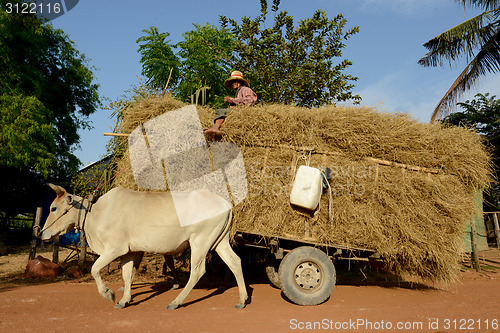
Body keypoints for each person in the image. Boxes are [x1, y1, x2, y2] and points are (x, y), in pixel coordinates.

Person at [203, 71, 257, 136]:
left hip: (243, 112)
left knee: (221, 111)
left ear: (240, 82)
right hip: (238, 112)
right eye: (231, 82)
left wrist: (232, 100)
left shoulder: (245, 89)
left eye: (234, 81)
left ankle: (216, 128)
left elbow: (250, 101)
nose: (232, 83)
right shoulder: (239, 91)